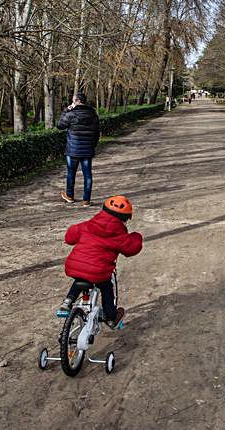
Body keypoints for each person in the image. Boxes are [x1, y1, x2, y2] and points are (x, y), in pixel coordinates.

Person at [58, 196, 143, 326]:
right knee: (106, 287)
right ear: (125, 219)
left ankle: (67, 302)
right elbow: (132, 249)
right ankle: (111, 317)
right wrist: (136, 236)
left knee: (80, 277)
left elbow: (70, 236)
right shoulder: (120, 235)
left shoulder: (87, 225)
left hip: (74, 265)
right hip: (99, 272)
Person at [57, 92, 100, 205]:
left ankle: (70, 196)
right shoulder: (93, 114)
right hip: (87, 150)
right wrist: (92, 146)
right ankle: (86, 200)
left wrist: (66, 110)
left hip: (73, 150)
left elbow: (60, 125)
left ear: (76, 101)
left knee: (71, 173)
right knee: (88, 175)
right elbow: (97, 133)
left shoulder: (71, 114)